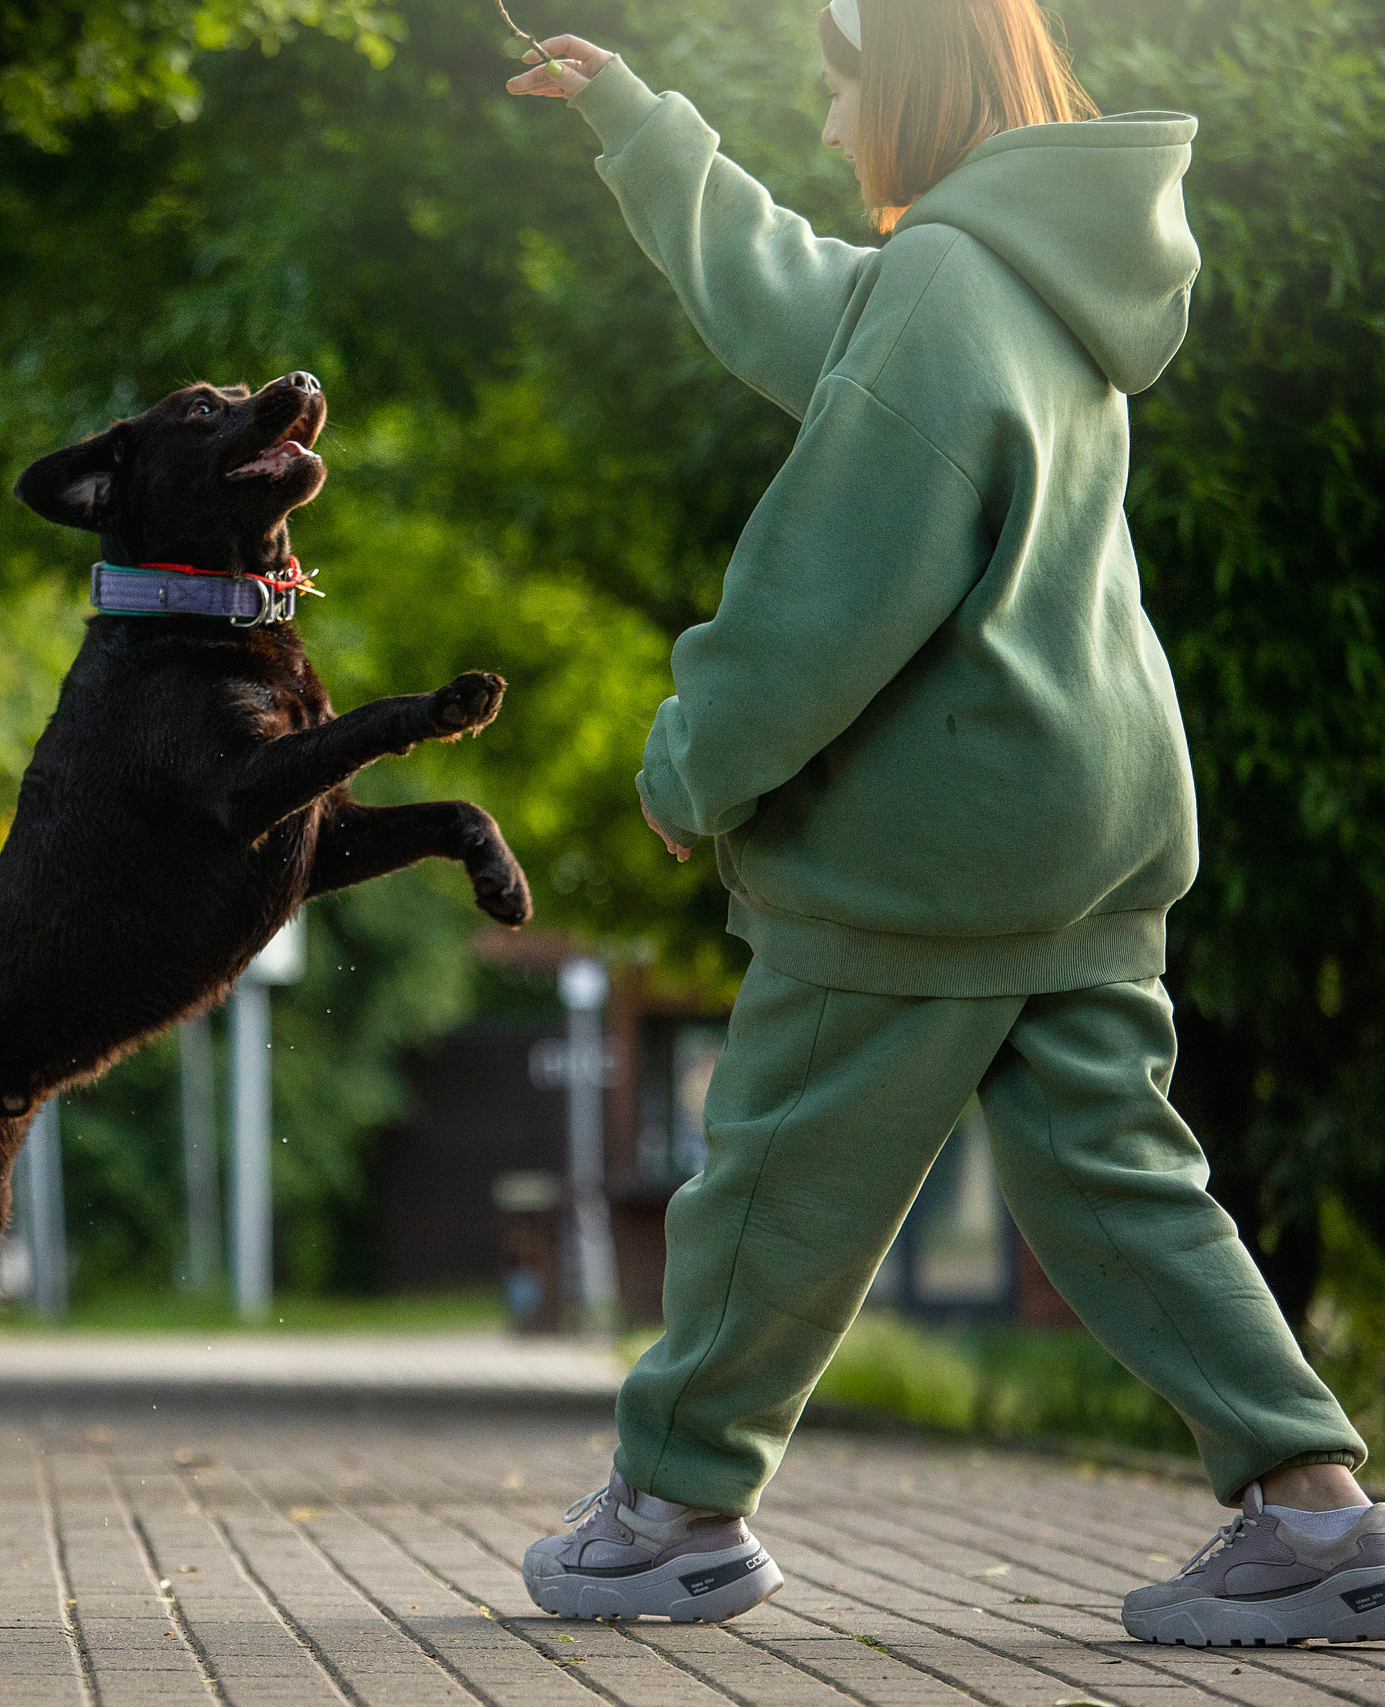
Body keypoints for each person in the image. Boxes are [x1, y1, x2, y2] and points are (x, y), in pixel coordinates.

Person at [504, 0, 1379, 1646]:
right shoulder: (1035, 273)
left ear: (906, 84)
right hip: (1086, 808)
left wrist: (698, 757)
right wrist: (639, 122)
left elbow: (832, 578)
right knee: (1121, 1180)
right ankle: (1317, 1515)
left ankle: (671, 1515)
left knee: (773, 1170)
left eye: (841, 97)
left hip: (940, 842)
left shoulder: (948, 285)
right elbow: (802, 303)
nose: (833, 133)